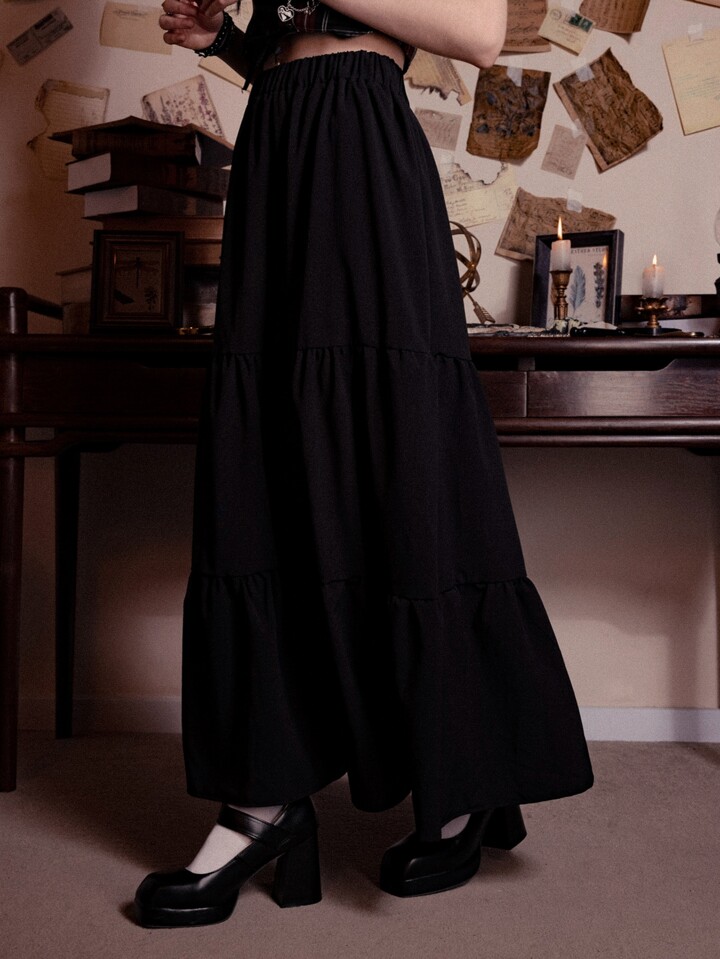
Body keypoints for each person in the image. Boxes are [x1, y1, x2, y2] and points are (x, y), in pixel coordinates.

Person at [134, 0, 593, 928]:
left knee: (400, 446)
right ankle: (264, 797)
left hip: (359, 137)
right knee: (268, 454)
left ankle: (462, 782)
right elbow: (306, 34)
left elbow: (478, 33)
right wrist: (229, 42)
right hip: (279, 136)